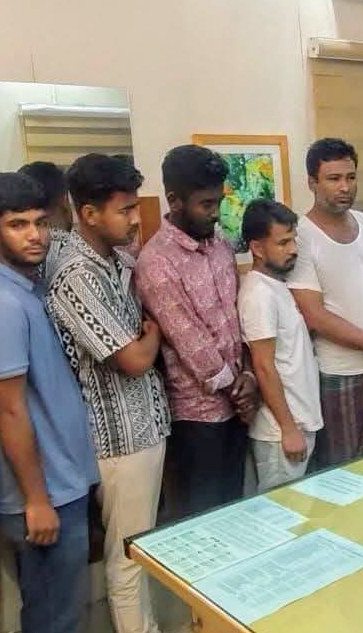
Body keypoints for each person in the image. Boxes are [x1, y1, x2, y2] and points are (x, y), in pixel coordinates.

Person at [0, 172, 100, 633]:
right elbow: (9, 409)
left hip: (63, 483)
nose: (35, 235)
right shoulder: (0, 304)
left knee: (62, 612)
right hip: (44, 495)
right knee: (53, 619)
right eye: (18, 225)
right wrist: (36, 500)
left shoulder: (30, 290)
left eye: (40, 222)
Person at [46, 153, 170, 632]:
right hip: (119, 440)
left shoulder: (115, 261)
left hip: (145, 428)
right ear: (89, 213)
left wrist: (144, 339)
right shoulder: (75, 275)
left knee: (142, 552)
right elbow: (134, 359)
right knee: (128, 559)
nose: (136, 219)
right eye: (125, 210)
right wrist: (151, 337)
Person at [136, 145, 256, 518]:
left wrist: (250, 375)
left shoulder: (221, 245)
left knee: (235, 510)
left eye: (219, 201)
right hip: (197, 417)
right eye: (206, 204)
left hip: (240, 403)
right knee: (202, 520)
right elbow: (191, 342)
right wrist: (237, 391)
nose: (215, 212)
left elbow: (237, 317)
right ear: (174, 200)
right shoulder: (156, 261)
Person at [288, 139, 363, 467]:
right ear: (312, 182)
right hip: (341, 371)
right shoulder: (300, 236)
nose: (345, 187)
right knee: (347, 472)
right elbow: (314, 315)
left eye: (351, 177)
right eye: (334, 178)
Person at [239, 199, 324, 490]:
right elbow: (264, 366)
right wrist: (288, 429)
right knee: (278, 512)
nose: (293, 249)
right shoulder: (259, 294)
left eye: (293, 240)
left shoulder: (277, 286)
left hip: (298, 424)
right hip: (280, 433)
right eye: (283, 242)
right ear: (257, 248)